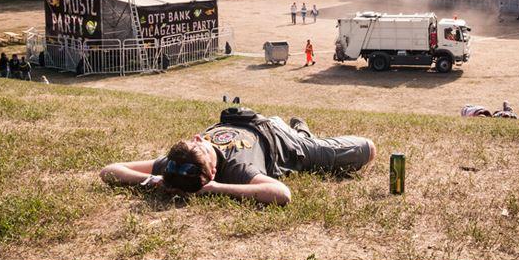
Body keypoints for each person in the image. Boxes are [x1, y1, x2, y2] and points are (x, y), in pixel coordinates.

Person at [100, 107, 376, 205]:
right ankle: (301, 131)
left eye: (200, 142)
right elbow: (281, 194)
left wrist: (154, 181)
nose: (202, 140)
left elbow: (109, 169)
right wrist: (216, 189)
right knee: (367, 149)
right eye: (205, 150)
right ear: (213, 174)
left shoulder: (180, 160)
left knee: (306, 136)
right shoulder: (237, 168)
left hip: (257, 120)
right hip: (284, 143)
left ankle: (301, 129)